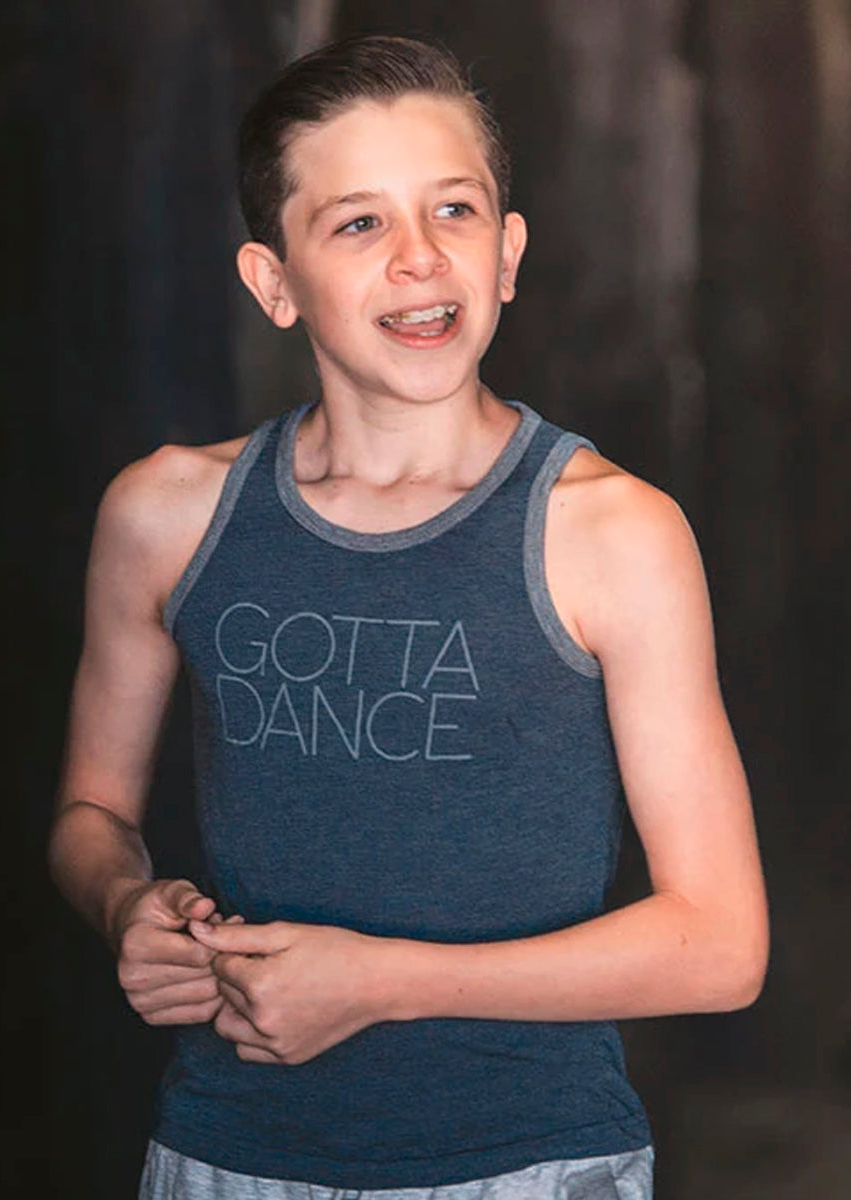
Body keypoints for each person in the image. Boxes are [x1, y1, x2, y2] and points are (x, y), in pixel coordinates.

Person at [48, 34, 768, 1200]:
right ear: (273, 282)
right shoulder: (166, 516)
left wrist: (380, 982)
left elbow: (722, 944)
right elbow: (90, 814)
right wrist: (127, 904)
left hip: (531, 1165)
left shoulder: (612, 533)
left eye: (454, 210)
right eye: (358, 223)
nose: (420, 257)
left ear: (508, 255)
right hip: (224, 1155)